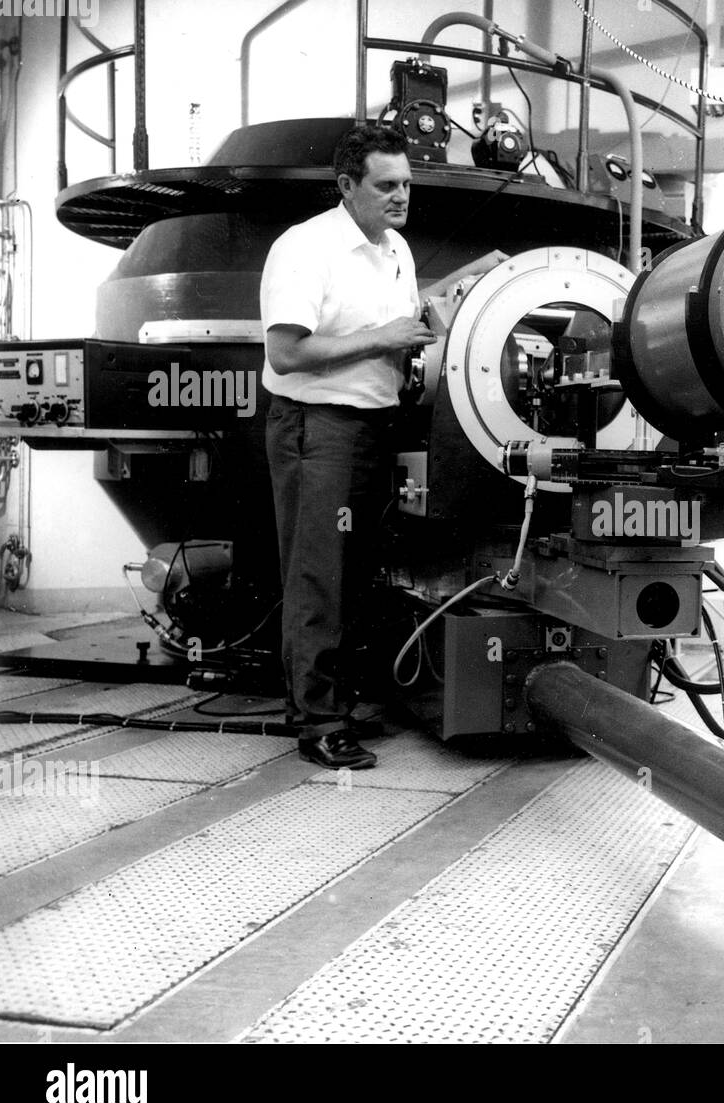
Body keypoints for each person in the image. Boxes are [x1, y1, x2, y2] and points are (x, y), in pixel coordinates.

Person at [261, 124, 502, 769]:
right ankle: (318, 723)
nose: (401, 198)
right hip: (318, 428)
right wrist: (383, 338)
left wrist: (463, 286)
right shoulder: (305, 248)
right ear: (347, 186)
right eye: (386, 185)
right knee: (320, 578)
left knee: (355, 577)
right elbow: (286, 353)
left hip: (373, 427)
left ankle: (333, 706)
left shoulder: (394, 247)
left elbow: (396, 321)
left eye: (407, 186)